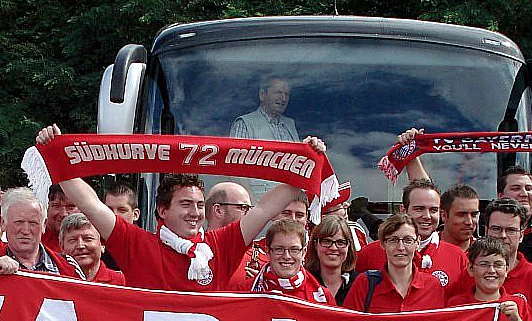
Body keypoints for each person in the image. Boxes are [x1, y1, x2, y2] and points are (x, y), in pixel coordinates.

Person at [34, 124, 324, 298]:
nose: (195, 213)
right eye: (185, 204)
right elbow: (90, 204)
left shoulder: (221, 244)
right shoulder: (137, 244)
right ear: (162, 210)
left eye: (199, 205)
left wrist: (306, 161)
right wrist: (55, 153)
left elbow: (263, 208)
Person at [354, 180, 466, 288]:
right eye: (419, 209)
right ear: (403, 210)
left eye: (433, 210)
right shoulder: (370, 253)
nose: (427, 216)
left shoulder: (457, 257)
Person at [345, 213, 448, 313]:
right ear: (382, 244)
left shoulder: (432, 287)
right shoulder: (364, 284)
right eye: (393, 240)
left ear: (417, 243)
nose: (400, 247)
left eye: (408, 240)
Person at [0, 188, 84, 278]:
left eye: (33, 223)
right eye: (18, 222)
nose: (25, 231)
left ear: (43, 225)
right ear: (3, 223)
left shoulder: (68, 266)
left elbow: (86, 297)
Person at [245, 219, 333, 304]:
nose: (286, 256)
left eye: (294, 250)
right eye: (279, 249)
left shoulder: (324, 297)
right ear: (267, 251)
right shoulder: (244, 291)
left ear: (303, 253)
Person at [305, 215, 359, 305]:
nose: (333, 248)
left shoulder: (361, 284)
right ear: (315, 245)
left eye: (340, 242)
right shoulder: (304, 282)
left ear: (349, 246)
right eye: (326, 241)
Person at [59, 213, 125, 284]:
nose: (80, 246)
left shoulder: (120, 281)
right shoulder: (55, 279)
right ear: (62, 246)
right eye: (73, 240)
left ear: (102, 244)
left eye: (88, 239)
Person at [229, 76, 299, 142]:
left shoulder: (290, 124)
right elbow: (239, 154)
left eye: (286, 94)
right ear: (262, 94)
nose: (283, 99)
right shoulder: (244, 124)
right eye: (278, 92)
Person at [440, 184, 480, 253]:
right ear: (444, 215)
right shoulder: (425, 247)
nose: (469, 222)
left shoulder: (484, 253)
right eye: (461, 215)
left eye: (474, 215)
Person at [43, 184, 79, 252]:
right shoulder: (34, 238)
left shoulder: (92, 241)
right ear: (48, 208)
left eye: (70, 207)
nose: (63, 214)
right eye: (56, 206)